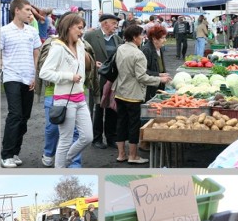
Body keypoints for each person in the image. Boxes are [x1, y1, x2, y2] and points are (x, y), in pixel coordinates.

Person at [39, 13, 94, 168]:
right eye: (79, 28)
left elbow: (82, 67)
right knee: (66, 139)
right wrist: (69, 76)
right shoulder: (57, 47)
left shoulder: (80, 45)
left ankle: (66, 160)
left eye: (82, 28)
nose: (82, 31)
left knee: (87, 137)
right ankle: (60, 168)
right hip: (64, 99)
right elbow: (44, 73)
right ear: (69, 27)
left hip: (80, 98)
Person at [113, 24, 170, 164]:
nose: (143, 37)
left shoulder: (120, 48)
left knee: (120, 123)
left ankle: (121, 154)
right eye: (141, 35)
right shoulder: (138, 54)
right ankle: (133, 156)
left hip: (120, 91)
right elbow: (142, 77)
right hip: (133, 94)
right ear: (134, 37)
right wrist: (159, 79)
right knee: (134, 124)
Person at [0, 0, 42, 168]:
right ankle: (6, 154)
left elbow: (36, 54)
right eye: (27, 10)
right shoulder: (4, 31)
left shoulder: (32, 32)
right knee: (15, 114)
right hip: (12, 77)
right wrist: (2, 68)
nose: (30, 13)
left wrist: (34, 75)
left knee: (24, 117)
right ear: (16, 10)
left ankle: (15, 152)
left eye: (30, 10)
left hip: (28, 77)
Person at [84, 13, 122, 150]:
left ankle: (111, 138)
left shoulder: (118, 39)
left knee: (112, 109)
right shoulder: (90, 36)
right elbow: (82, 54)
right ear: (104, 23)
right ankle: (97, 138)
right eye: (113, 23)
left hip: (113, 80)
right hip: (97, 78)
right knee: (98, 109)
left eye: (116, 23)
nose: (116, 25)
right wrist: (93, 64)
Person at [142, 25, 170, 102]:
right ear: (154, 38)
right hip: (150, 88)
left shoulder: (159, 48)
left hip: (158, 86)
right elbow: (143, 71)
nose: (165, 40)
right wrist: (159, 75)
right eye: (162, 38)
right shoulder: (146, 50)